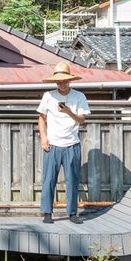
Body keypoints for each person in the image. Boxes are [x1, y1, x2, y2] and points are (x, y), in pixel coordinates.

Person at [36, 63, 90, 224]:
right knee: (49, 179)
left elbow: (82, 120)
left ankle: (72, 213)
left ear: (70, 80)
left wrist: (68, 111)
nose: (62, 83)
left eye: (65, 80)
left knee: (72, 179)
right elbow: (41, 118)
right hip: (52, 144)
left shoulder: (79, 96)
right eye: (58, 81)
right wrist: (43, 138)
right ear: (55, 81)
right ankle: (47, 212)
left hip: (72, 144)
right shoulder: (48, 95)